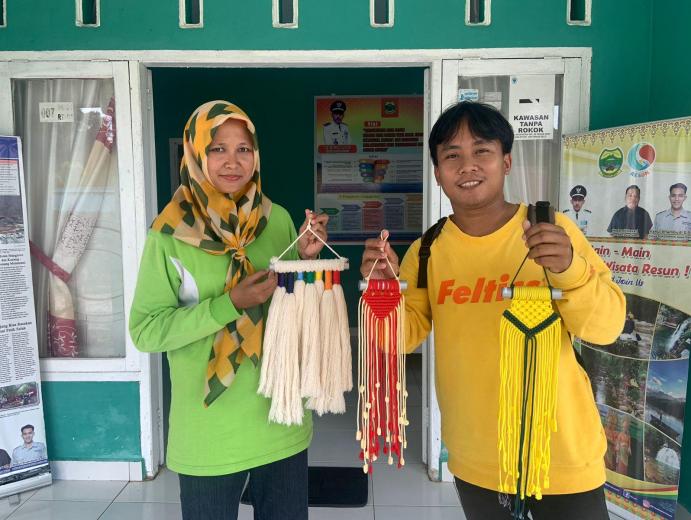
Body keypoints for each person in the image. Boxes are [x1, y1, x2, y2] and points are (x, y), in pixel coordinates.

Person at [360, 102, 625, 519]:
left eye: (481, 150)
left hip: (562, 455)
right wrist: (380, 289)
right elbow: (399, 339)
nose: (467, 165)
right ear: (437, 173)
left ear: (506, 162)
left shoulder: (552, 230)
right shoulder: (426, 251)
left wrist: (570, 269)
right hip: (477, 458)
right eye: (452, 155)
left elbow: (607, 327)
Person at [129, 100, 329, 520]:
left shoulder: (277, 220)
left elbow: (293, 307)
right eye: (218, 148)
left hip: (280, 413)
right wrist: (229, 305)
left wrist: (305, 260)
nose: (233, 162)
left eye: (244, 149)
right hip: (209, 428)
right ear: (195, 153)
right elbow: (146, 331)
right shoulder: (169, 235)